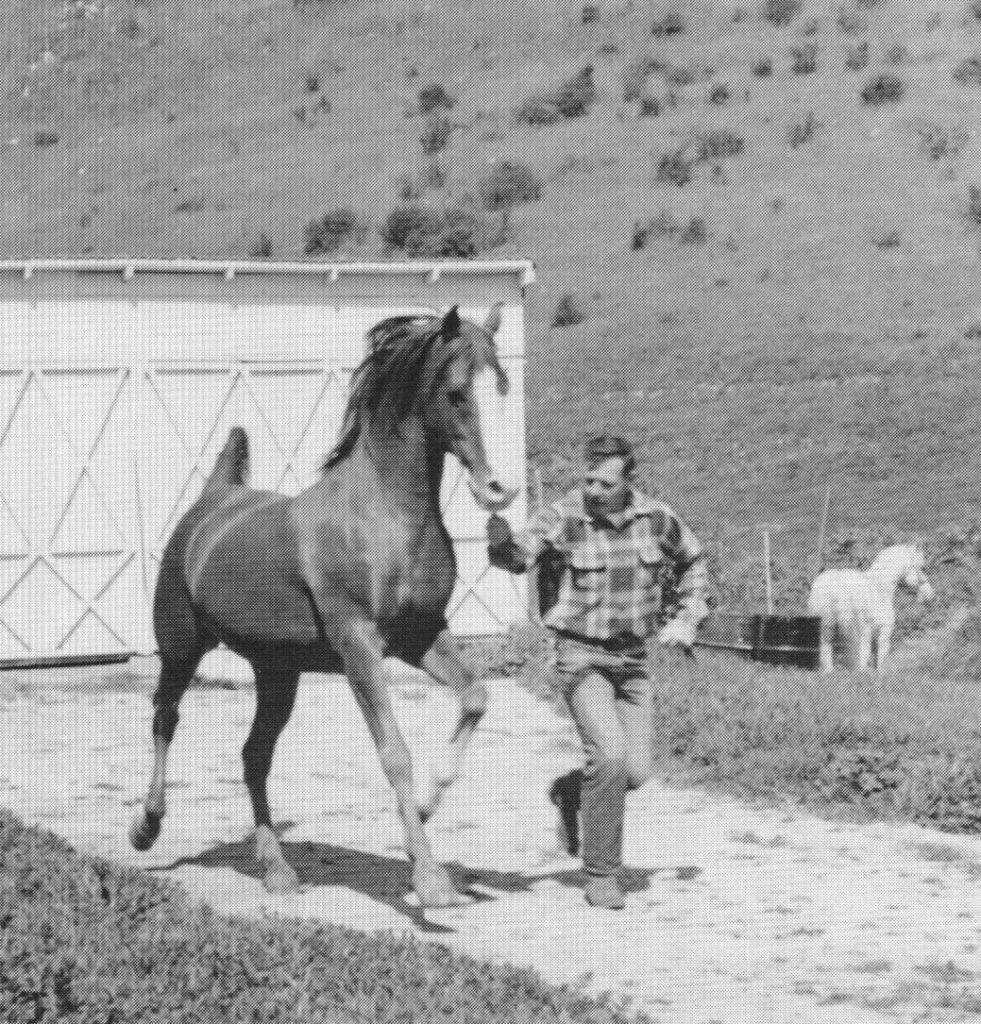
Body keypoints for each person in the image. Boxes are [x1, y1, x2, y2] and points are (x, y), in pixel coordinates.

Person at [487, 434, 707, 909]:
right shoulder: (564, 514)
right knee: (608, 756)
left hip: (633, 660)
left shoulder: (657, 520)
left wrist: (688, 616)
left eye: (604, 482)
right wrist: (499, 537)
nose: (593, 489)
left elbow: (693, 560)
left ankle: (572, 792)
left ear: (630, 482)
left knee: (636, 770)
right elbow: (519, 556)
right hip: (578, 656)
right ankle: (602, 873)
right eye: (588, 478)